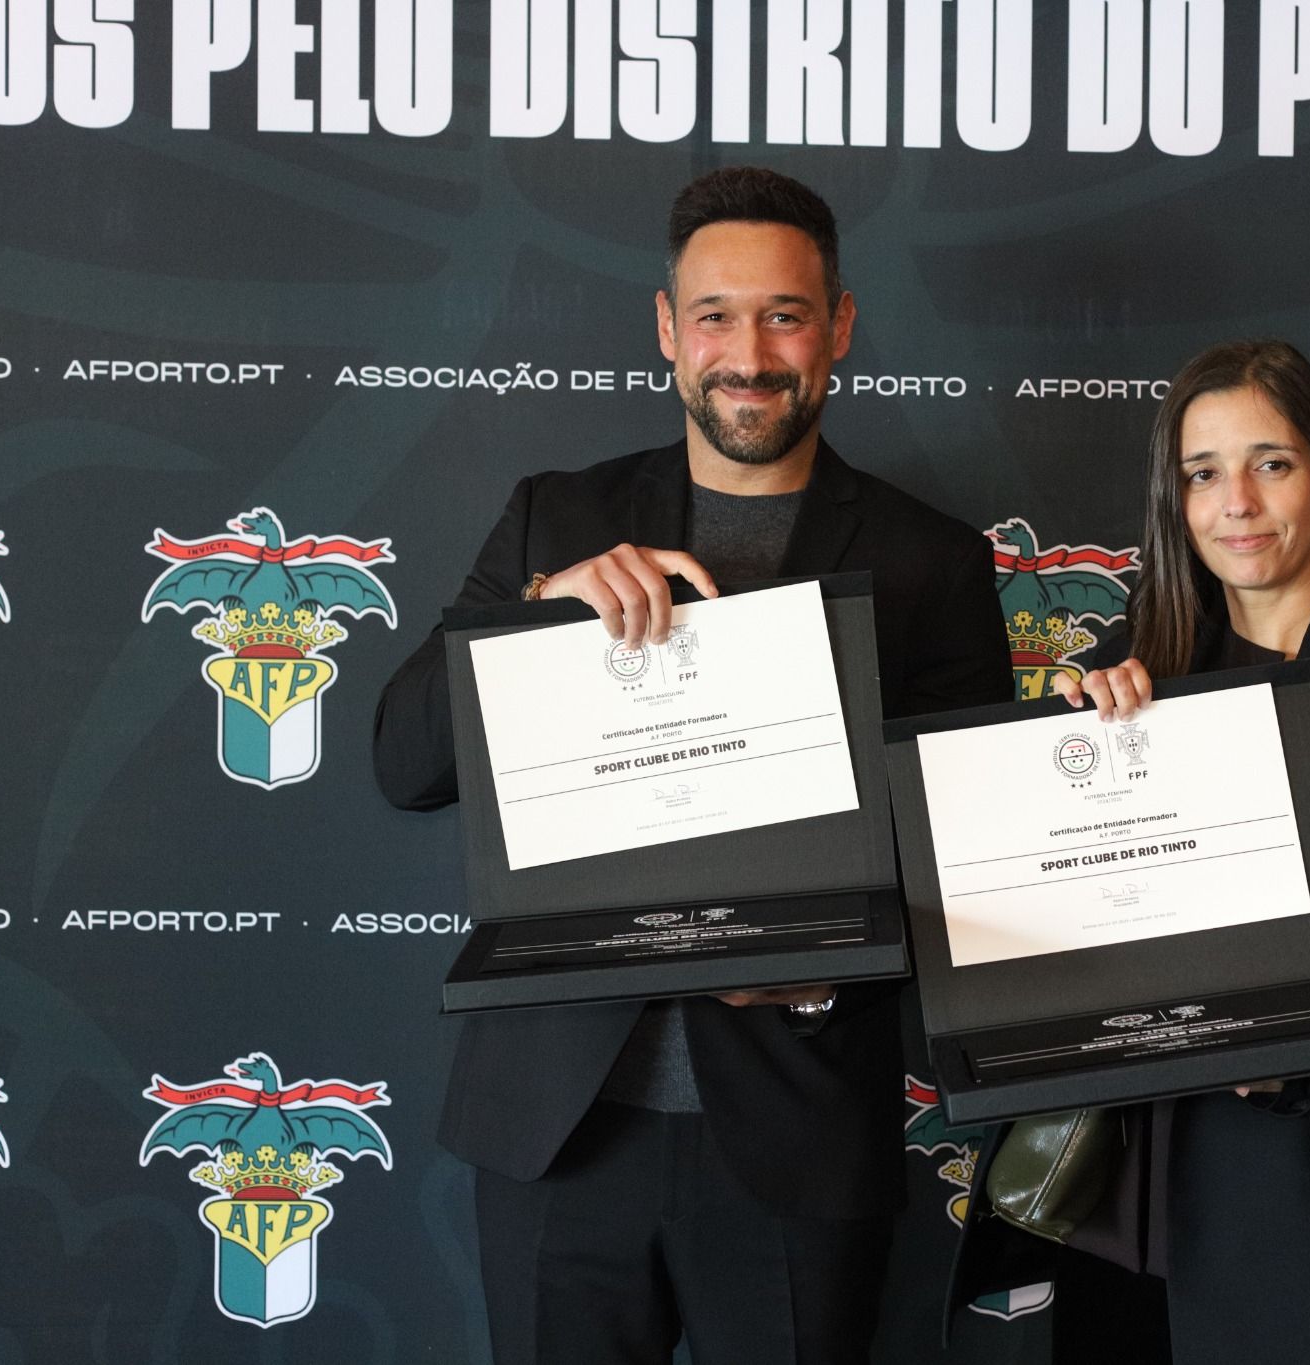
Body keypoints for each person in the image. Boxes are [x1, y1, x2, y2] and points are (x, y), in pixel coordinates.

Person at [372, 167, 1012, 1365]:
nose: (748, 354)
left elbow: (962, 859)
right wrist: (538, 613)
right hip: (560, 1129)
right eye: (715, 315)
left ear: (839, 328)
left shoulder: (931, 562)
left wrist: (822, 979)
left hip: (795, 1136)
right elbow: (404, 764)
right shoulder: (553, 521)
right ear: (668, 329)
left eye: (784, 315)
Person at [959, 339, 1310, 1363]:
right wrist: (1056, 771)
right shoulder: (1123, 677)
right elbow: (1033, 945)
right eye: (1203, 474)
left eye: (1271, 464)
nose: (1236, 503)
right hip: (1126, 1209)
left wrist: (1279, 1058)